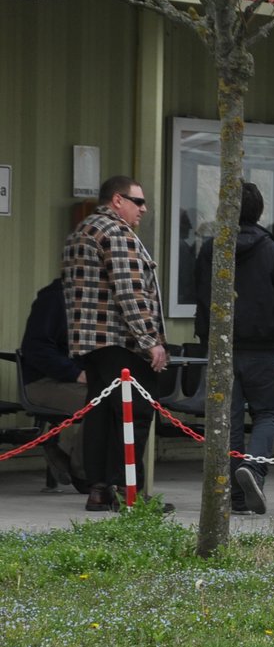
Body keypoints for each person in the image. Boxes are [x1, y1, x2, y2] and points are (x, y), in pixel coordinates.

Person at [62, 175, 170, 512]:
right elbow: (130, 292)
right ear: (117, 201)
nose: (144, 208)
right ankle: (129, 492)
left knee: (99, 416)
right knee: (134, 416)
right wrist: (151, 341)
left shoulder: (81, 231)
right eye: (138, 202)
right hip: (121, 343)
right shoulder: (116, 233)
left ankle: (99, 490)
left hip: (91, 344)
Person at [195, 182, 274, 515]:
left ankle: (236, 497)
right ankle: (254, 471)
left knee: (230, 420)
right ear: (260, 211)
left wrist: (205, 341)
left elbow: (202, 300)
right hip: (264, 347)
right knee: (269, 412)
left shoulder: (213, 249)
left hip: (224, 347)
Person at [19, 277, 87, 490]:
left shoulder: (94, 297)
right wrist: (76, 373)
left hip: (74, 379)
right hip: (42, 382)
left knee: (118, 400)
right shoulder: (54, 297)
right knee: (101, 403)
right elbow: (36, 348)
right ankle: (82, 470)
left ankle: (69, 453)